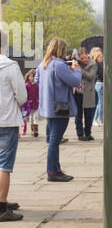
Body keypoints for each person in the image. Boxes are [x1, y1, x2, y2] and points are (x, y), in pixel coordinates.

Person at [37, 37, 80, 181]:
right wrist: (76, 70)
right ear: (61, 49)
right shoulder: (59, 65)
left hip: (47, 107)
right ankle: (52, 172)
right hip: (60, 108)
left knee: (53, 140)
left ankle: (56, 169)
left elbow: (37, 80)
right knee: (55, 141)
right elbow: (75, 81)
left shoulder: (43, 64)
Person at [0, 51, 27, 220]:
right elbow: (22, 96)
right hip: (6, 120)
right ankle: (2, 207)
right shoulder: (9, 66)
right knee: (4, 165)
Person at [74, 48, 98, 141]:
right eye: (82, 59)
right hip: (78, 92)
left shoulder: (93, 64)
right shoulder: (76, 64)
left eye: (85, 58)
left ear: (87, 55)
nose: (84, 60)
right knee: (78, 115)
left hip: (88, 92)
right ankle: (80, 134)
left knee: (88, 114)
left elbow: (91, 76)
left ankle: (88, 133)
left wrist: (79, 70)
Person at [21, 69, 40, 137]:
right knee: (31, 118)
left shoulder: (37, 85)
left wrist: (38, 99)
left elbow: (39, 93)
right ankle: (32, 130)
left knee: (36, 117)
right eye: (31, 76)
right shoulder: (27, 85)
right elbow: (25, 94)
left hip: (36, 103)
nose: (32, 78)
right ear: (28, 77)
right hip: (29, 104)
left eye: (33, 77)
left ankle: (35, 130)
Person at [92, 49, 104, 126]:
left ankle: (96, 119)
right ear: (97, 57)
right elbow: (99, 74)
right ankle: (99, 119)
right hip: (99, 84)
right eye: (101, 57)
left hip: (100, 83)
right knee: (100, 103)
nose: (102, 58)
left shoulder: (100, 64)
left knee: (100, 103)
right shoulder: (97, 65)